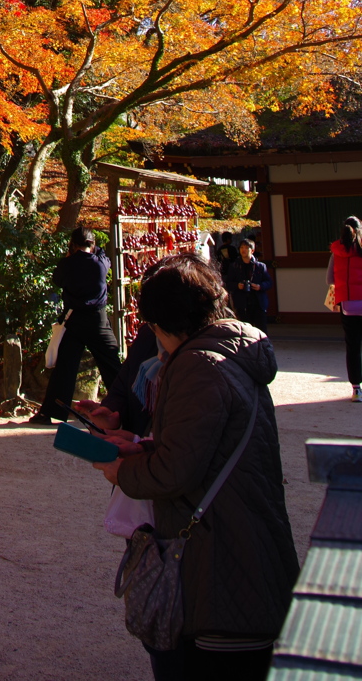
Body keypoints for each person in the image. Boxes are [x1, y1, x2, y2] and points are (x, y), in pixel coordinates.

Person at [94, 254, 298, 681]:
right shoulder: (232, 353)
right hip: (245, 539)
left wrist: (121, 471)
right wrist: (141, 443)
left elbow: (175, 472)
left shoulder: (196, 365)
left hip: (217, 560)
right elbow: (207, 445)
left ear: (163, 321)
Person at [28, 226, 122, 426]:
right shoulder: (100, 264)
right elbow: (105, 257)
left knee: (65, 368)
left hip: (75, 319)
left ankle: (49, 412)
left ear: (72, 245)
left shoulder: (66, 264)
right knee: (112, 365)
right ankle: (126, 408)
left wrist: (70, 258)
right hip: (98, 320)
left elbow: (57, 280)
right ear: (92, 244)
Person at [327, 215, 362, 402]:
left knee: (353, 346)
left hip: (347, 303)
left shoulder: (336, 251)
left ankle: (356, 389)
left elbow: (329, 279)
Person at [226, 238, 271, 328]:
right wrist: (237, 285)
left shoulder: (260, 266)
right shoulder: (234, 266)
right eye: (241, 247)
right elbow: (228, 283)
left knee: (261, 330)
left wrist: (260, 286)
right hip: (242, 303)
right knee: (245, 330)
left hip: (258, 302)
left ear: (252, 250)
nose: (243, 250)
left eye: (246, 248)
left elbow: (269, 282)